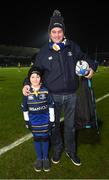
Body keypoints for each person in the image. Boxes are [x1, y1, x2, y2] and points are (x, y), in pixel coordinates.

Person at [22, 9, 97, 166]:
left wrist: (92, 69)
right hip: (52, 97)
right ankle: (57, 149)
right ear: (49, 33)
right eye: (53, 31)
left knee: (70, 127)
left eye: (59, 31)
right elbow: (35, 70)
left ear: (63, 32)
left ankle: (71, 151)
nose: (57, 34)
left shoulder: (72, 47)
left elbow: (86, 58)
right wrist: (26, 84)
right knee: (55, 126)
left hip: (71, 95)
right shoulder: (43, 52)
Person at [21, 66, 55, 172]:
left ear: (41, 78)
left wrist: (52, 120)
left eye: (37, 77)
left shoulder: (45, 91)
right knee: (36, 139)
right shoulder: (26, 92)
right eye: (32, 77)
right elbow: (25, 108)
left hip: (45, 121)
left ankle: (45, 158)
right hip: (34, 122)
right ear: (29, 78)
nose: (35, 79)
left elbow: (51, 105)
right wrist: (27, 121)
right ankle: (39, 159)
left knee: (45, 138)